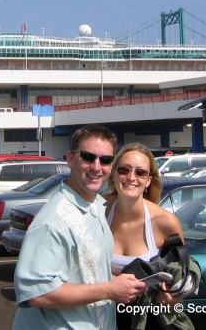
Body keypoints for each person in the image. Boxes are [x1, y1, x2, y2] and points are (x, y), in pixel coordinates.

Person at [12, 124, 147, 330]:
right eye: (87, 156)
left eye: (105, 160)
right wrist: (110, 290)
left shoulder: (96, 207)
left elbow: (89, 274)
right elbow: (38, 293)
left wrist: (126, 285)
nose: (96, 166)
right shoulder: (53, 221)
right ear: (70, 159)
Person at [104, 143, 189, 329]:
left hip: (146, 320)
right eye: (124, 170)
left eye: (140, 172)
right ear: (114, 173)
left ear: (149, 180)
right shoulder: (98, 209)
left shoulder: (166, 222)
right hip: (100, 317)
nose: (131, 177)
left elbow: (181, 269)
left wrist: (173, 293)